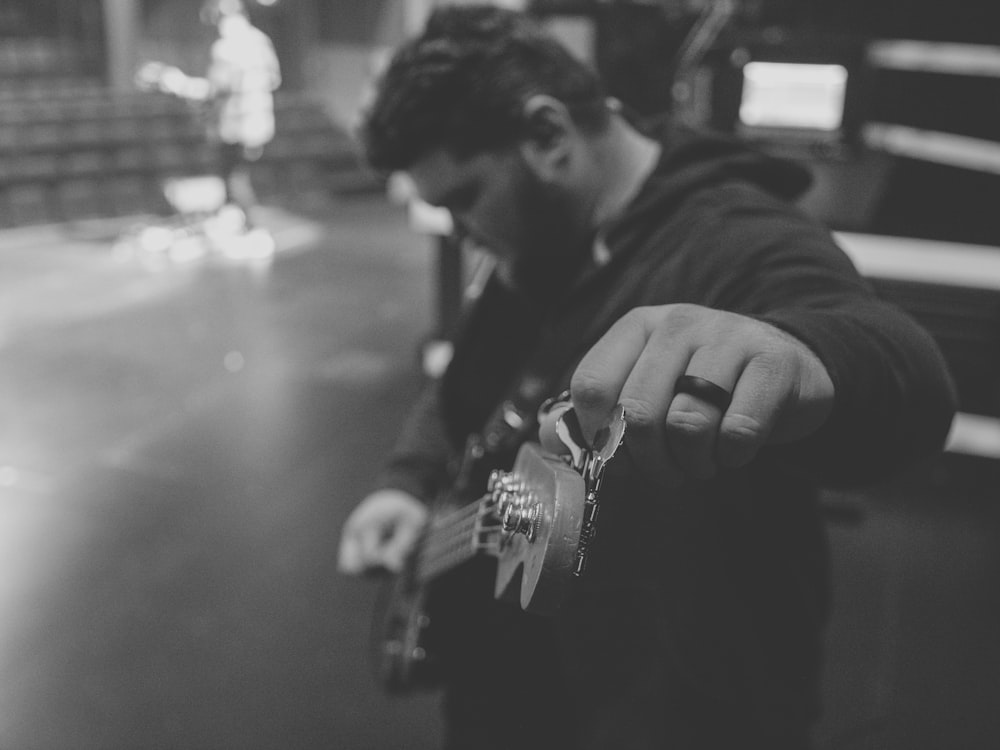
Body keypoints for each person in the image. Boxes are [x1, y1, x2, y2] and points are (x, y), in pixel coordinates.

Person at [338, 6, 956, 749]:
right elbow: (465, 390)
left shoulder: (736, 238)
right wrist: (404, 483)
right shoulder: (537, 241)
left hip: (669, 709)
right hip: (516, 679)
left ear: (546, 135)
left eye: (464, 198)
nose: (462, 230)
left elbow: (901, 372)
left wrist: (797, 358)